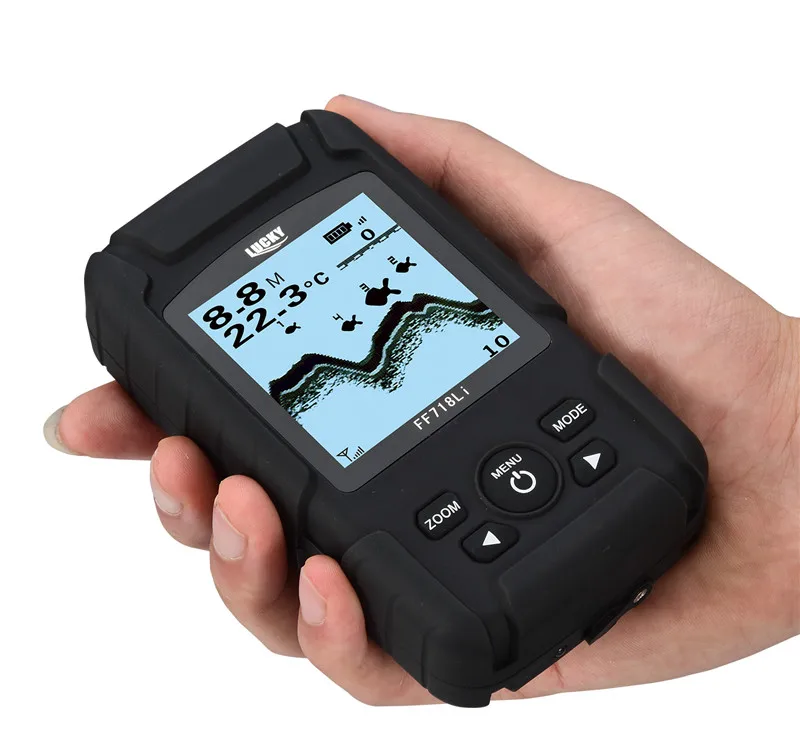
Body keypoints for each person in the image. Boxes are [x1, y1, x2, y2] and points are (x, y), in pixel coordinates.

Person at [43, 96, 799, 705]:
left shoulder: (326, 154)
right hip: (490, 564)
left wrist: (781, 409)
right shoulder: (165, 269)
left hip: (502, 561)